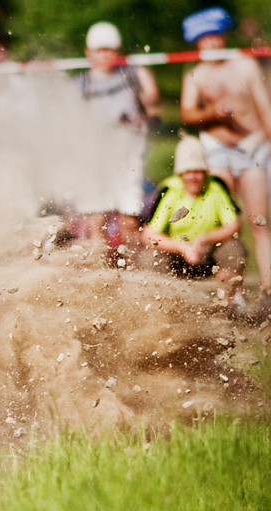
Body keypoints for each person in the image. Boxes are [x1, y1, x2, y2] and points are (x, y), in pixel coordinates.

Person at [180, 6, 271, 300]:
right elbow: (187, 113)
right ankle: (233, 293)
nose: (212, 43)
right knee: (226, 224)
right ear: (197, 42)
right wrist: (214, 114)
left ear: (223, 36)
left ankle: (268, 290)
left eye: (216, 37)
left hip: (252, 146)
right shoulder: (195, 72)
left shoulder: (245, 64)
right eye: (205, 39)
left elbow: (264, 106)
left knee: (260, 222)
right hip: (217, 149)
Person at [72, 21, 161, 260]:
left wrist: (144, 112)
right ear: (88, 53)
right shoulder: (80, 84)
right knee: (96, 223)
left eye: (110, 49)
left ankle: (132, 280)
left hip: (128, 160)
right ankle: (99, 283)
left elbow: (153, 104)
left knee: (130, 222)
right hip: (95, 162)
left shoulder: (133, 75)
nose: (105, 55)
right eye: (100, 50)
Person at [142, 136, 246, 294]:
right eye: (188, 172)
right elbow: (149, 234)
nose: (193, 177)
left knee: (233, 249)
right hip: (176, 254)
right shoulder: (169, 190)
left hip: (209, 251)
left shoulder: (216, 186)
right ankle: (162, 301)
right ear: (180, 173)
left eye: (198, 171)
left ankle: (230, 299)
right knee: (150, 257)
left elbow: (233, 225)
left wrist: (204, 239)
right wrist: (181, 247)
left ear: (205, 171)